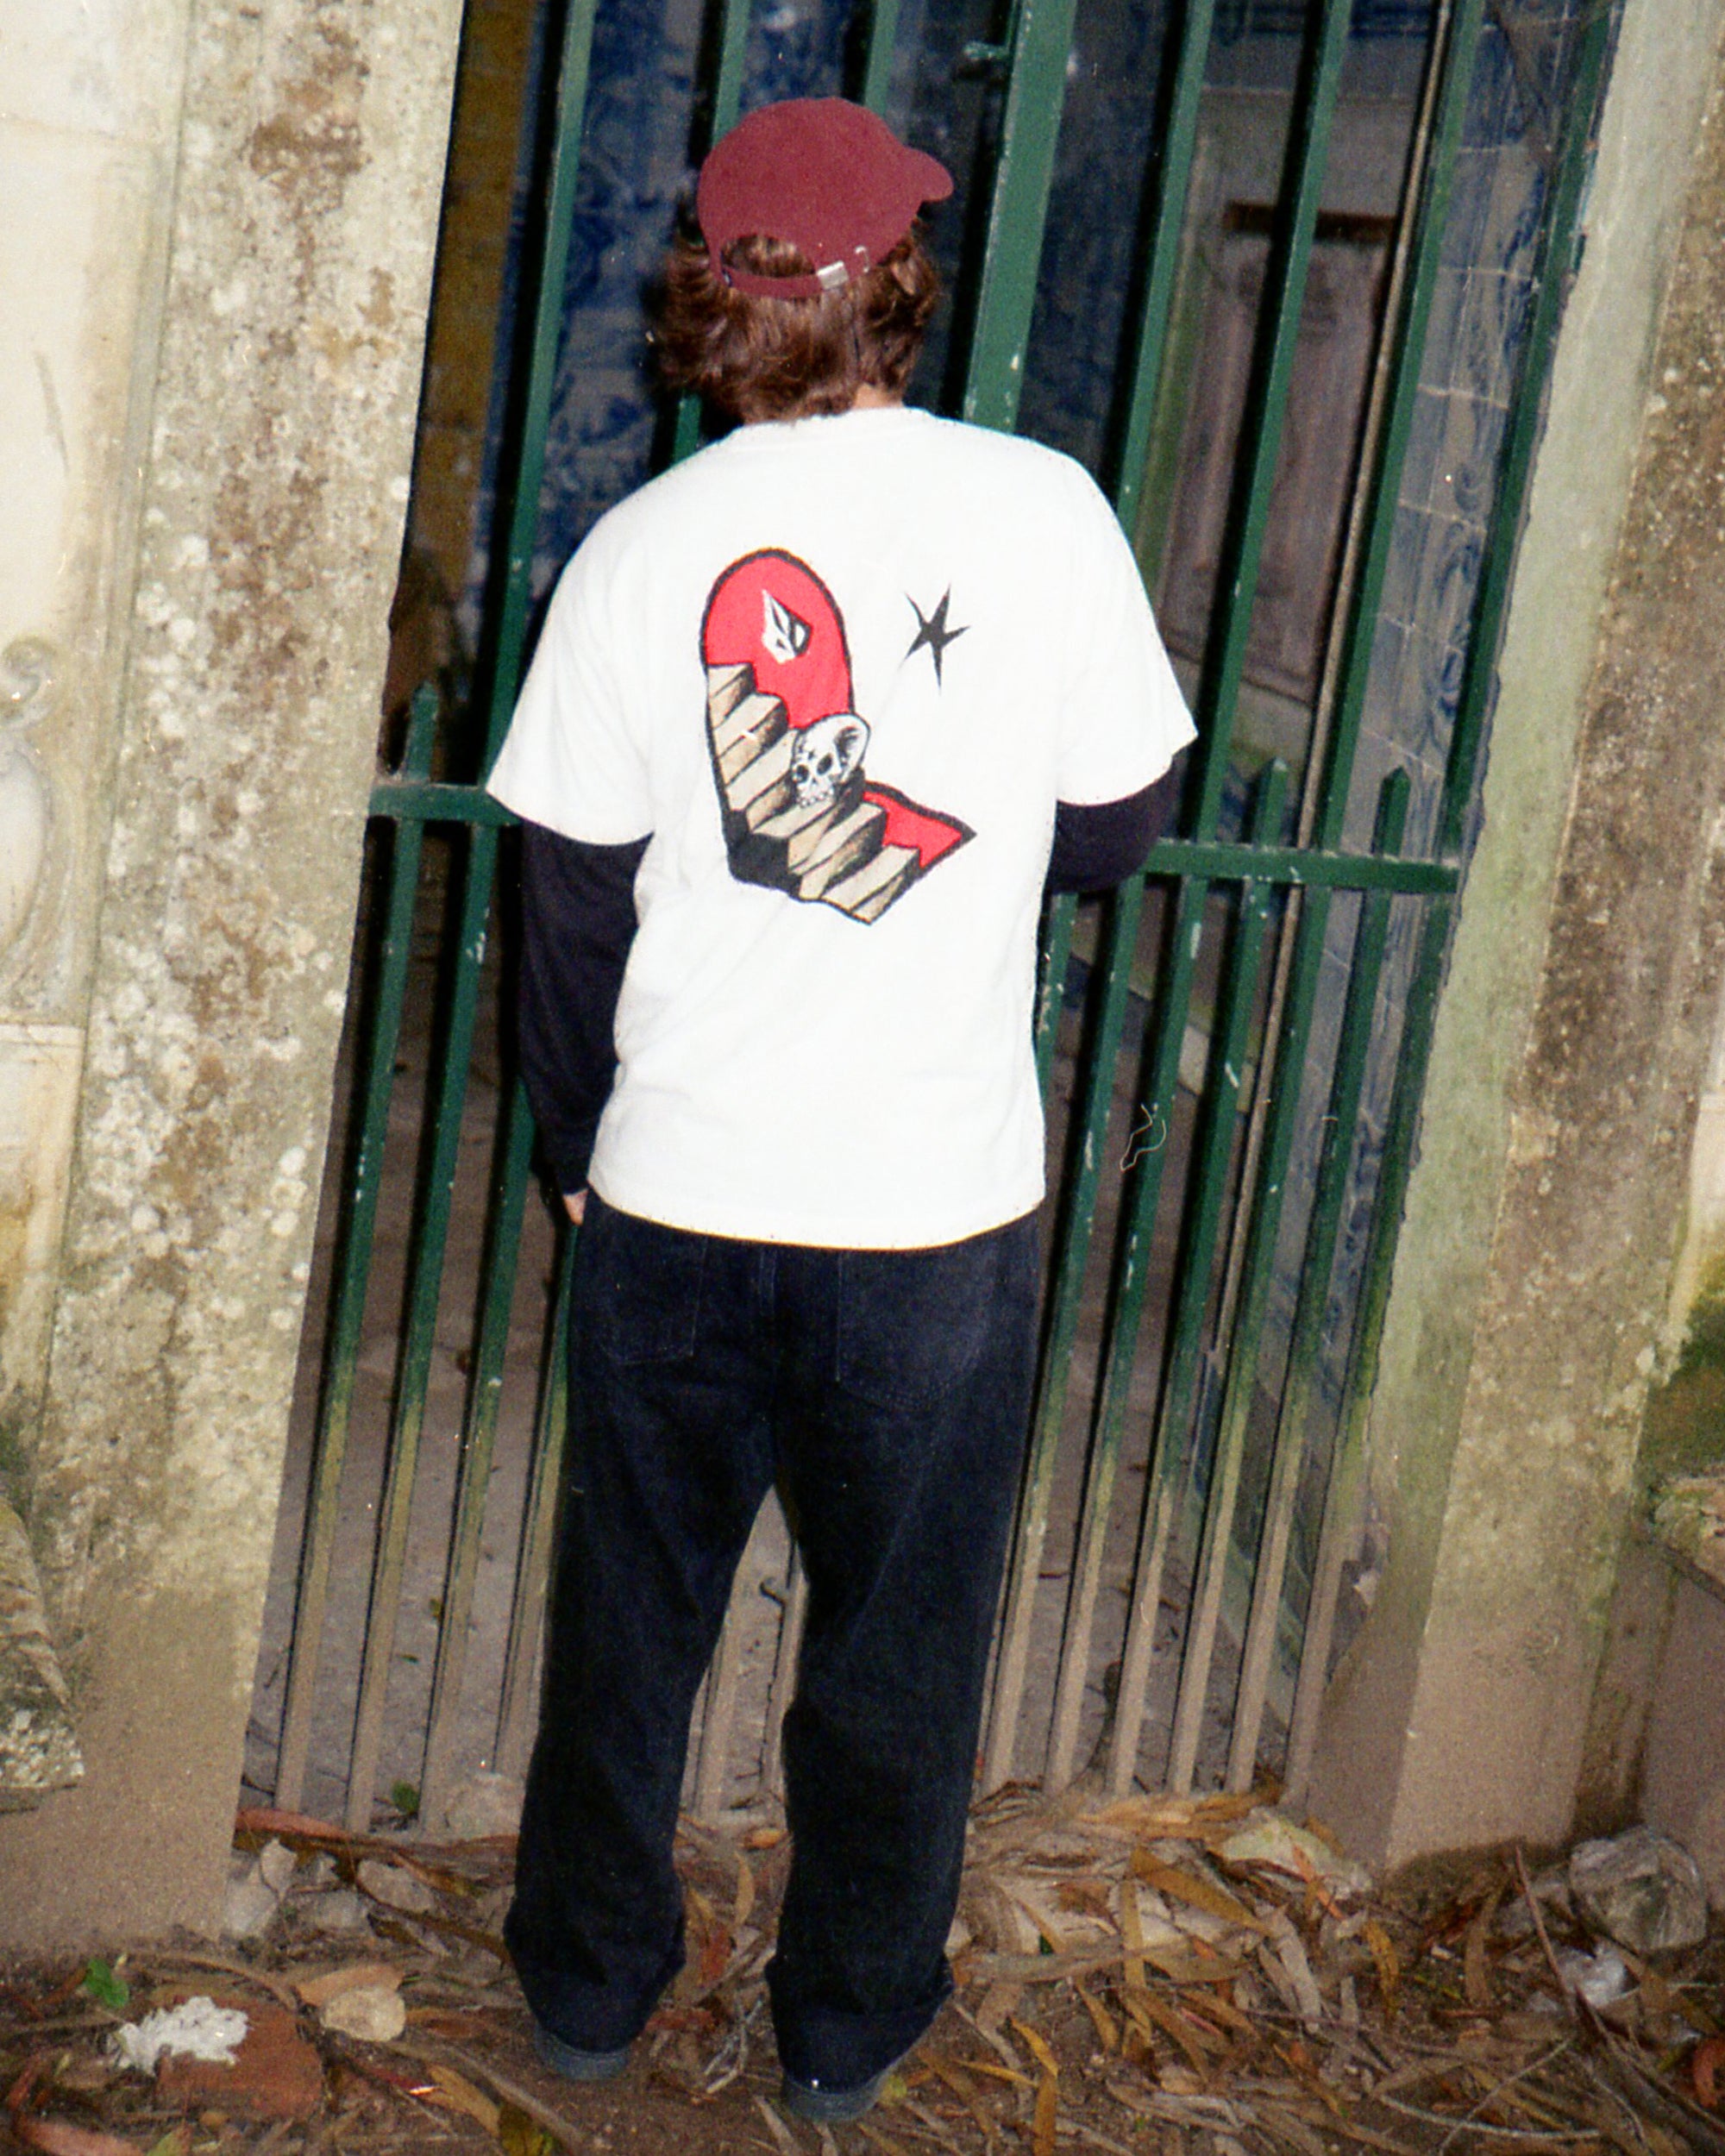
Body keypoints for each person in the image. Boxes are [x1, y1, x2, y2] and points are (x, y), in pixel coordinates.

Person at [486, 95, 1195, 2125]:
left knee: (629, 1619)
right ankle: (848, 2030)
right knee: (899, 1652)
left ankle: (587, 1996)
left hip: (680, 1195)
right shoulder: (1040, 506)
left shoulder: (637, 549)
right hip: (933, 1215)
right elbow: (1118, 824)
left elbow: (566, 898)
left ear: (716, 297)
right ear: (900, 281)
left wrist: (566, 1150)